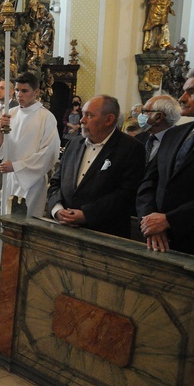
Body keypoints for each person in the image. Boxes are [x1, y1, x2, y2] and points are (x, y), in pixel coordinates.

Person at [0, 72, 60, 301]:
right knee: (6, 229)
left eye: (24, 91)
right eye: (16, 91)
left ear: (37, 91)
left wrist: (17, 166)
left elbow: (49, 154)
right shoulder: (11, 114)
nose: (19, 95)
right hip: (10, 180)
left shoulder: (46, 118)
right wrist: (0, 128)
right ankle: (4, 277)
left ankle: (21, 281)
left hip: (31, 182)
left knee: (24, 230)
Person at [48, 95, 145, 238]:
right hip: (64, 229)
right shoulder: (74, 144)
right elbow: (56, 181)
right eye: (83, 114)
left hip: (104, 233)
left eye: (89, 115)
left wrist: (87, 214)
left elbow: (126, 194)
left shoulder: (131, 148)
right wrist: (57, 209)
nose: (82, 120)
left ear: (109, 119)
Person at [137, 70, 194, 254]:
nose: (182, 98)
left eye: (191, 92)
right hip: (158, 241)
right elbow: (149, 182)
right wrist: (150, 222)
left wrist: (169, 220)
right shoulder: (173, 134)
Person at [135, 94, 181, 165]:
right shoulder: (138, 138)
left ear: (158, 117)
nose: (140, 115)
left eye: (145, 111)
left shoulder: (181, 142)